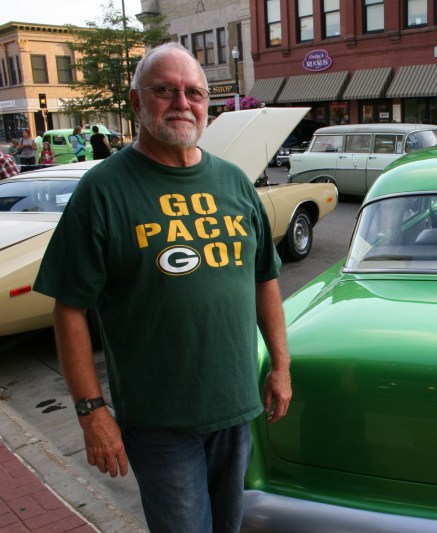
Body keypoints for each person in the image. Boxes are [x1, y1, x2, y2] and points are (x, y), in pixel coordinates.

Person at [33, 42, 292, 533]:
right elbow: (68, 308)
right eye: (164, 91)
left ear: (207, 106)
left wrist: (280, 366)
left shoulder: (234, 183)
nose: (182, 102)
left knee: (228, 526)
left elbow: (265, 278)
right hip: (158, 420)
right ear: (136, 102)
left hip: (235, 407)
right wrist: (91, 411)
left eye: (193, 92)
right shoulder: (104, 190)